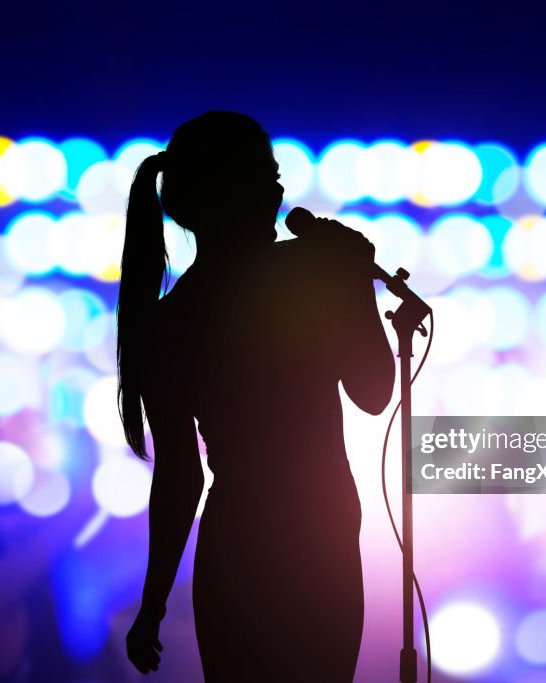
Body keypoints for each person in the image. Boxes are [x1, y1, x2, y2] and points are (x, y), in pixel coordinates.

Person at [116, 111, 395, 681]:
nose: (280, 189)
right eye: (267, 176)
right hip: (321, 545)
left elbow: (179, 479)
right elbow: (374, 391)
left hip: (238, 548)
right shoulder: (308, 278)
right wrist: (351, 283)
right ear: (233, 192)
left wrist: (154, 606)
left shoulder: (170, 321)